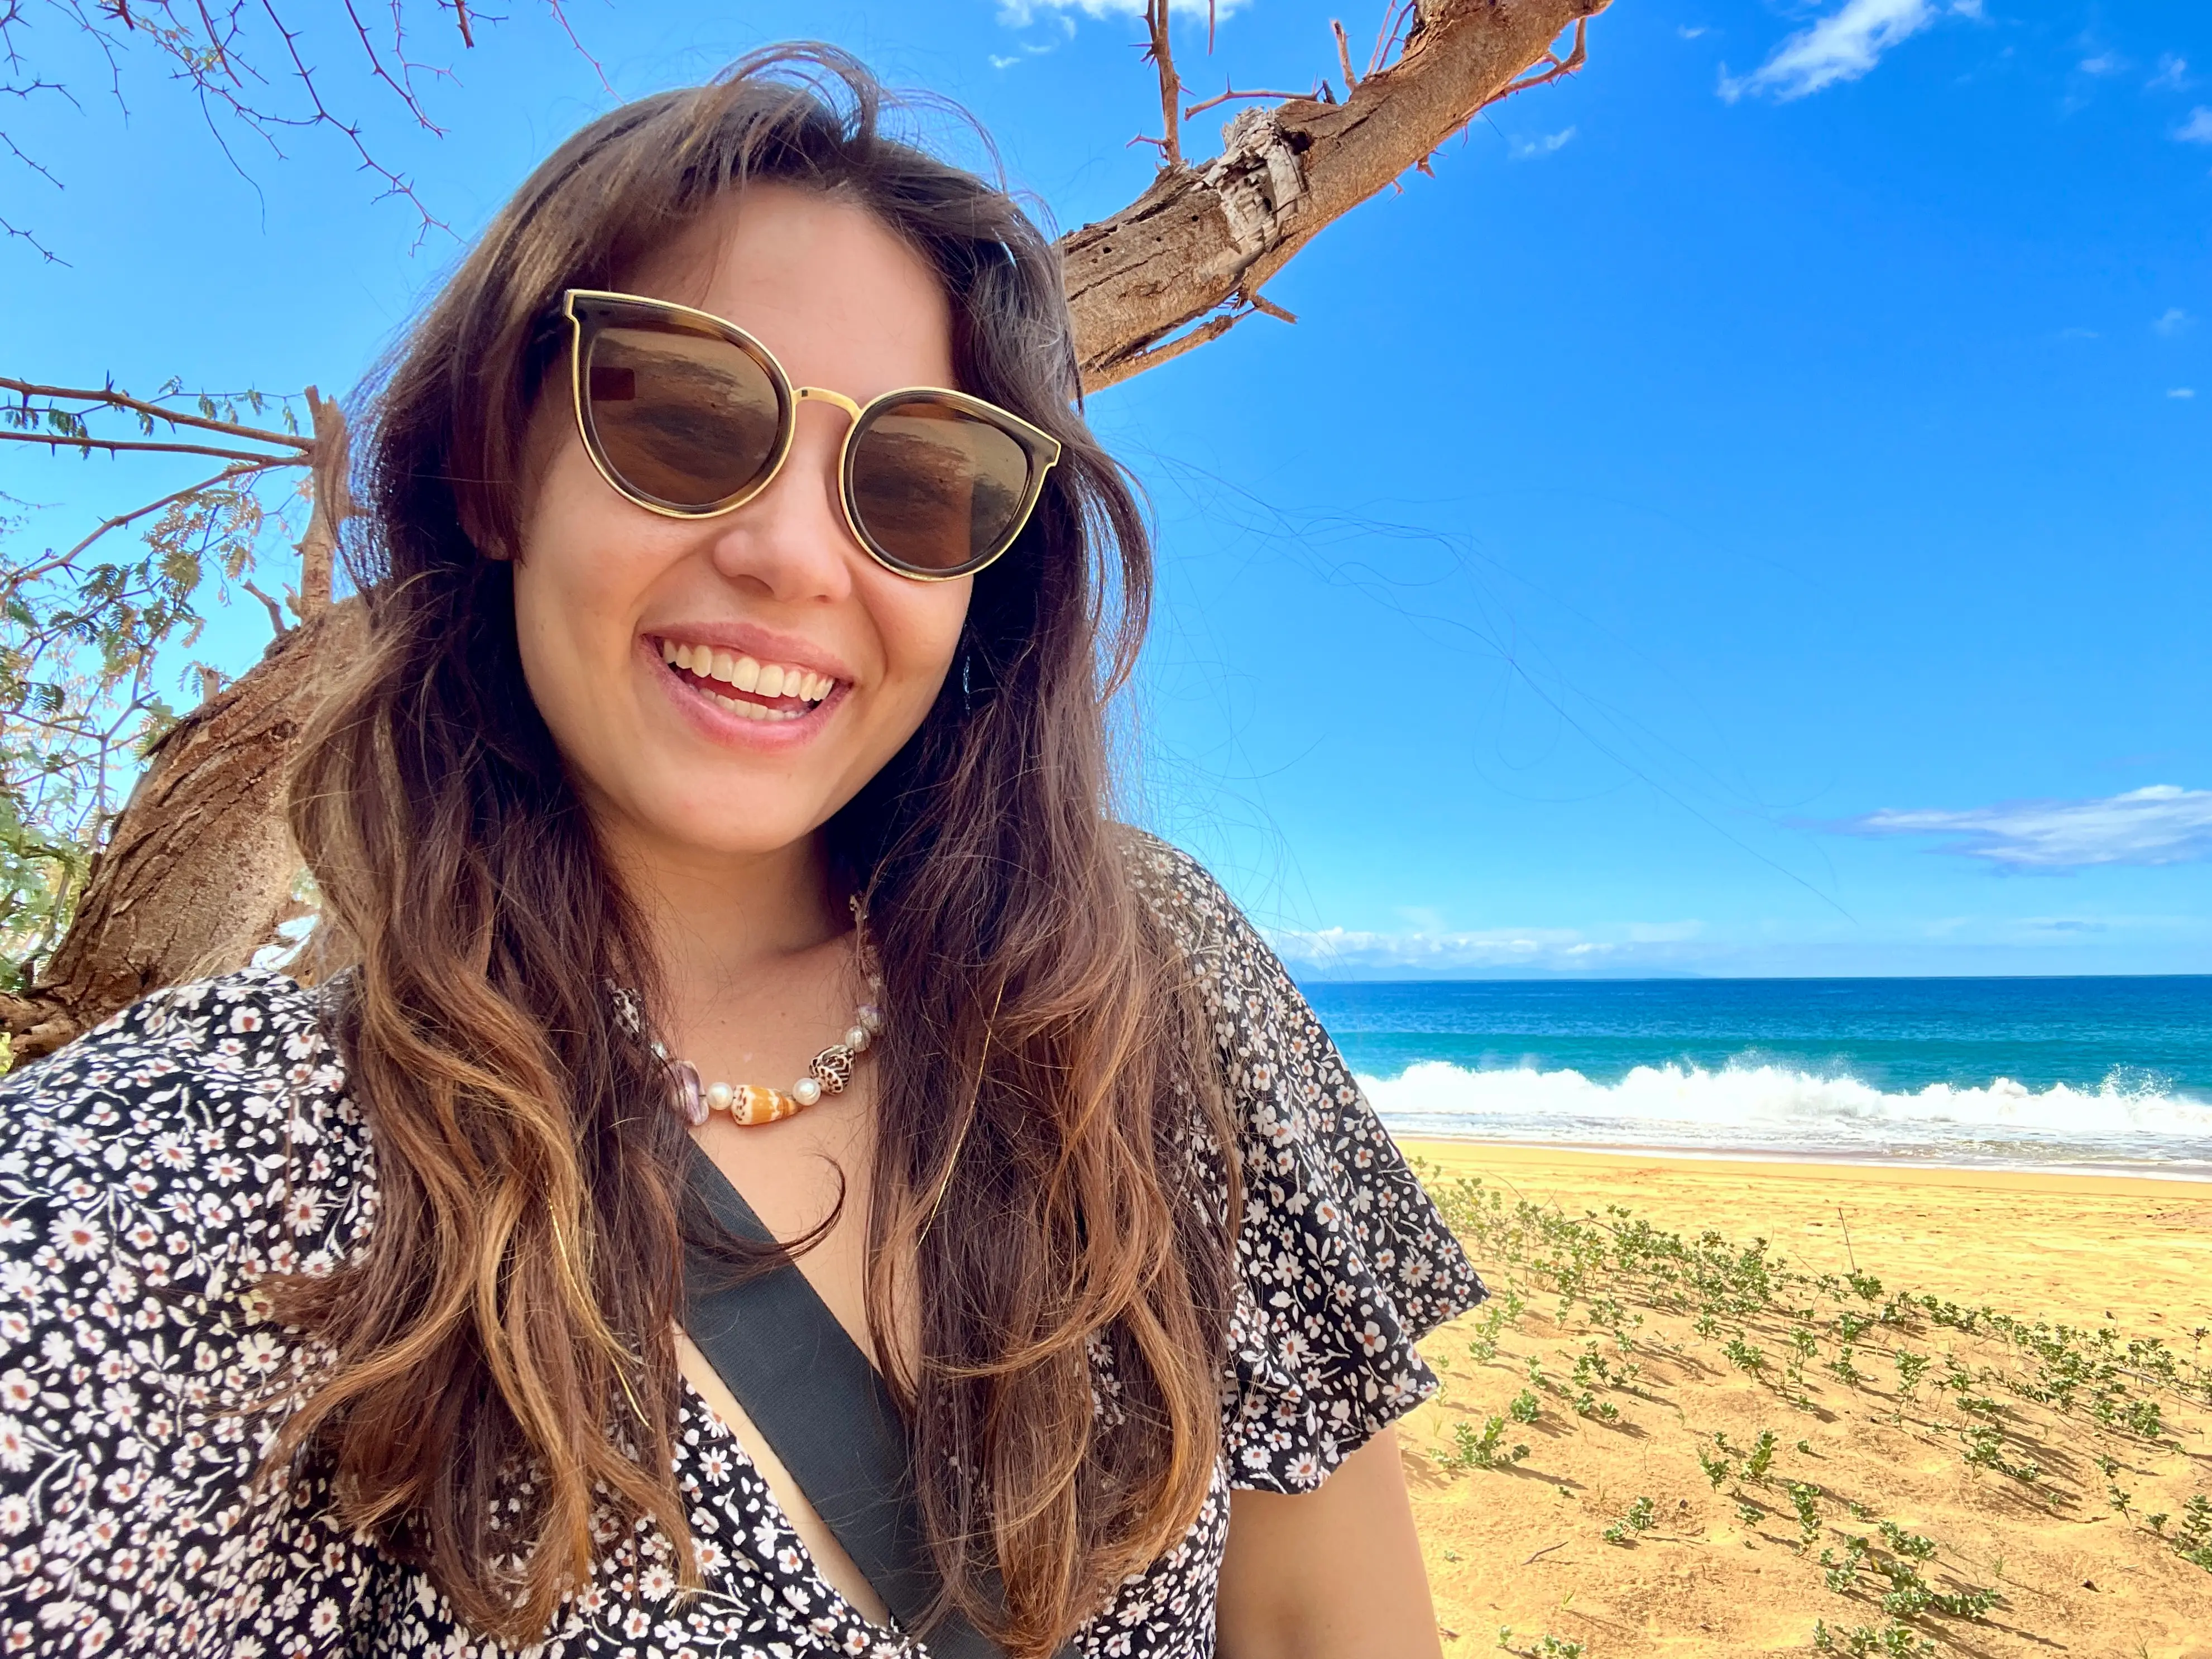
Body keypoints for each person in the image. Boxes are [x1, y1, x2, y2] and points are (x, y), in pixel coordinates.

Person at [0, 47, 1481, 1659]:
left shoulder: (1147, 981)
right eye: (690, 415)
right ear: (505, 464)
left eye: (919, 479)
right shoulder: (229, 1159)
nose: (791, 555)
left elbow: (1322, 1617)